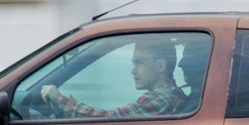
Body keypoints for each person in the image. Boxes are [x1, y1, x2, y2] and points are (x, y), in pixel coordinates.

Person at [41, 39, 189, 118]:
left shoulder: (162, 98)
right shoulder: (171, 94)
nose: (133, 71)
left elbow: (109, 121)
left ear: (160, 65)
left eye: (140, 63)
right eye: (133, 63)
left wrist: (60, 100)